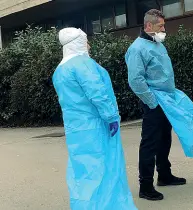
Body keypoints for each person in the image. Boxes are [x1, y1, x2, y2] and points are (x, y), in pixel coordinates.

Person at [125, 9, 193, 201]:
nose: (164, 29)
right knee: (150, 142)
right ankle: (146, 185)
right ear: (148, 26)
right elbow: (135, 80)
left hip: (168, 99)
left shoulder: (157, 45)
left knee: (165, 138)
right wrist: (152, 102)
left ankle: (164, 175)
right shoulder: (137, 49)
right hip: (156, 102)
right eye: (160, 26)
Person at [52, 27, 137, 209]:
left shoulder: (59, 70)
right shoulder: (83, 65)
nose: (89, 45)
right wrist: (111, 116)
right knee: (105, 168)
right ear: (79, 43)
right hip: (96, 126)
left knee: (83, 172)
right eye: (86, 41)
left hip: (75, 129)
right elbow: (98, 94)